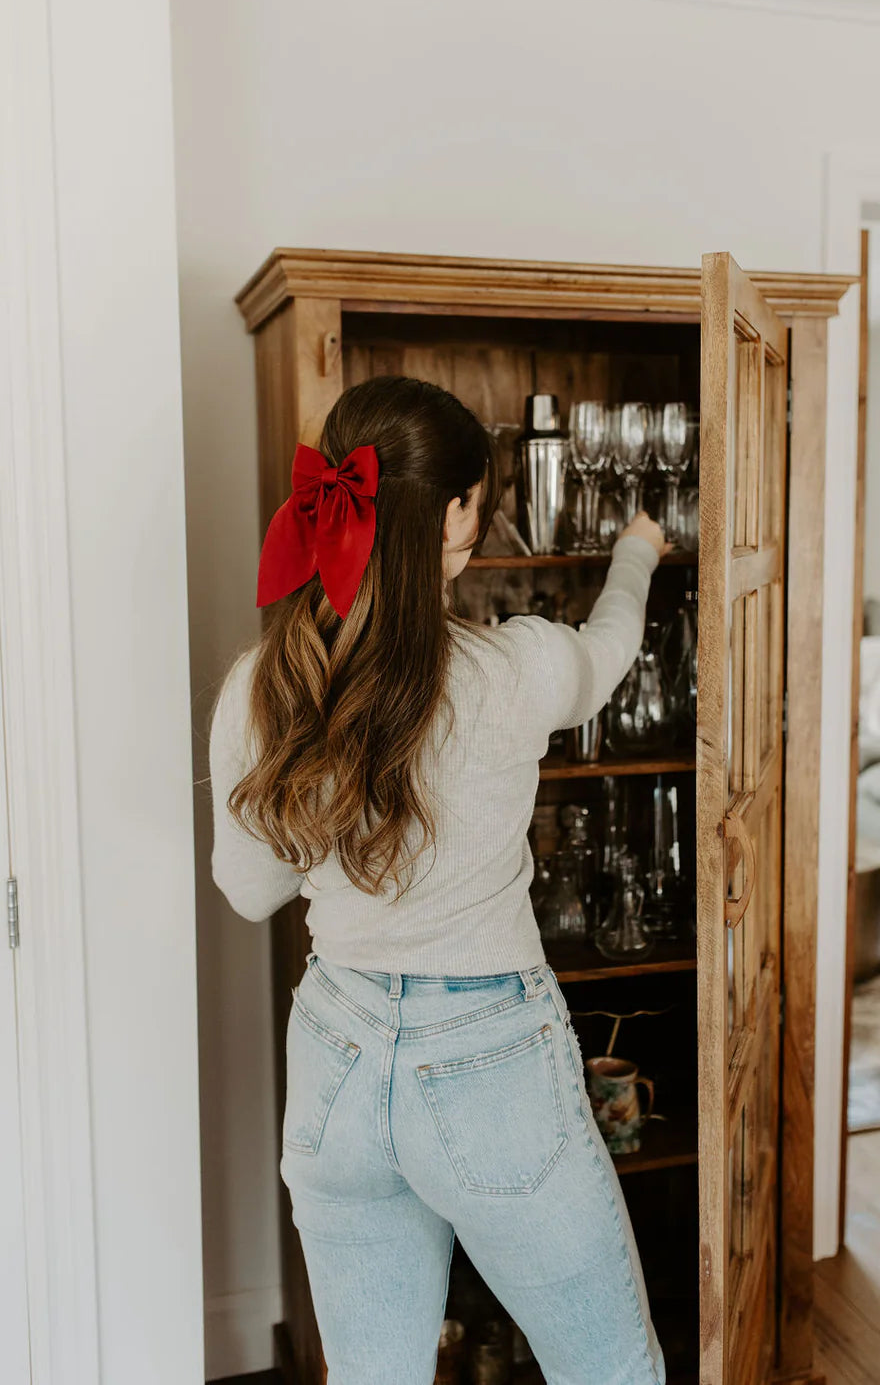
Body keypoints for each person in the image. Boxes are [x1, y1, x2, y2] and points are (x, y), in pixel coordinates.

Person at [209, 374, 670, 1385]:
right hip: (487, 1057)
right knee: (611, 1372)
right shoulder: (517, 670)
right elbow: (612, 649)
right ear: (458, 514)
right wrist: (636, 550)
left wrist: (328, 796)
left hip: (334, 1051)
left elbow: (251, 892)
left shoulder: (264, 681)